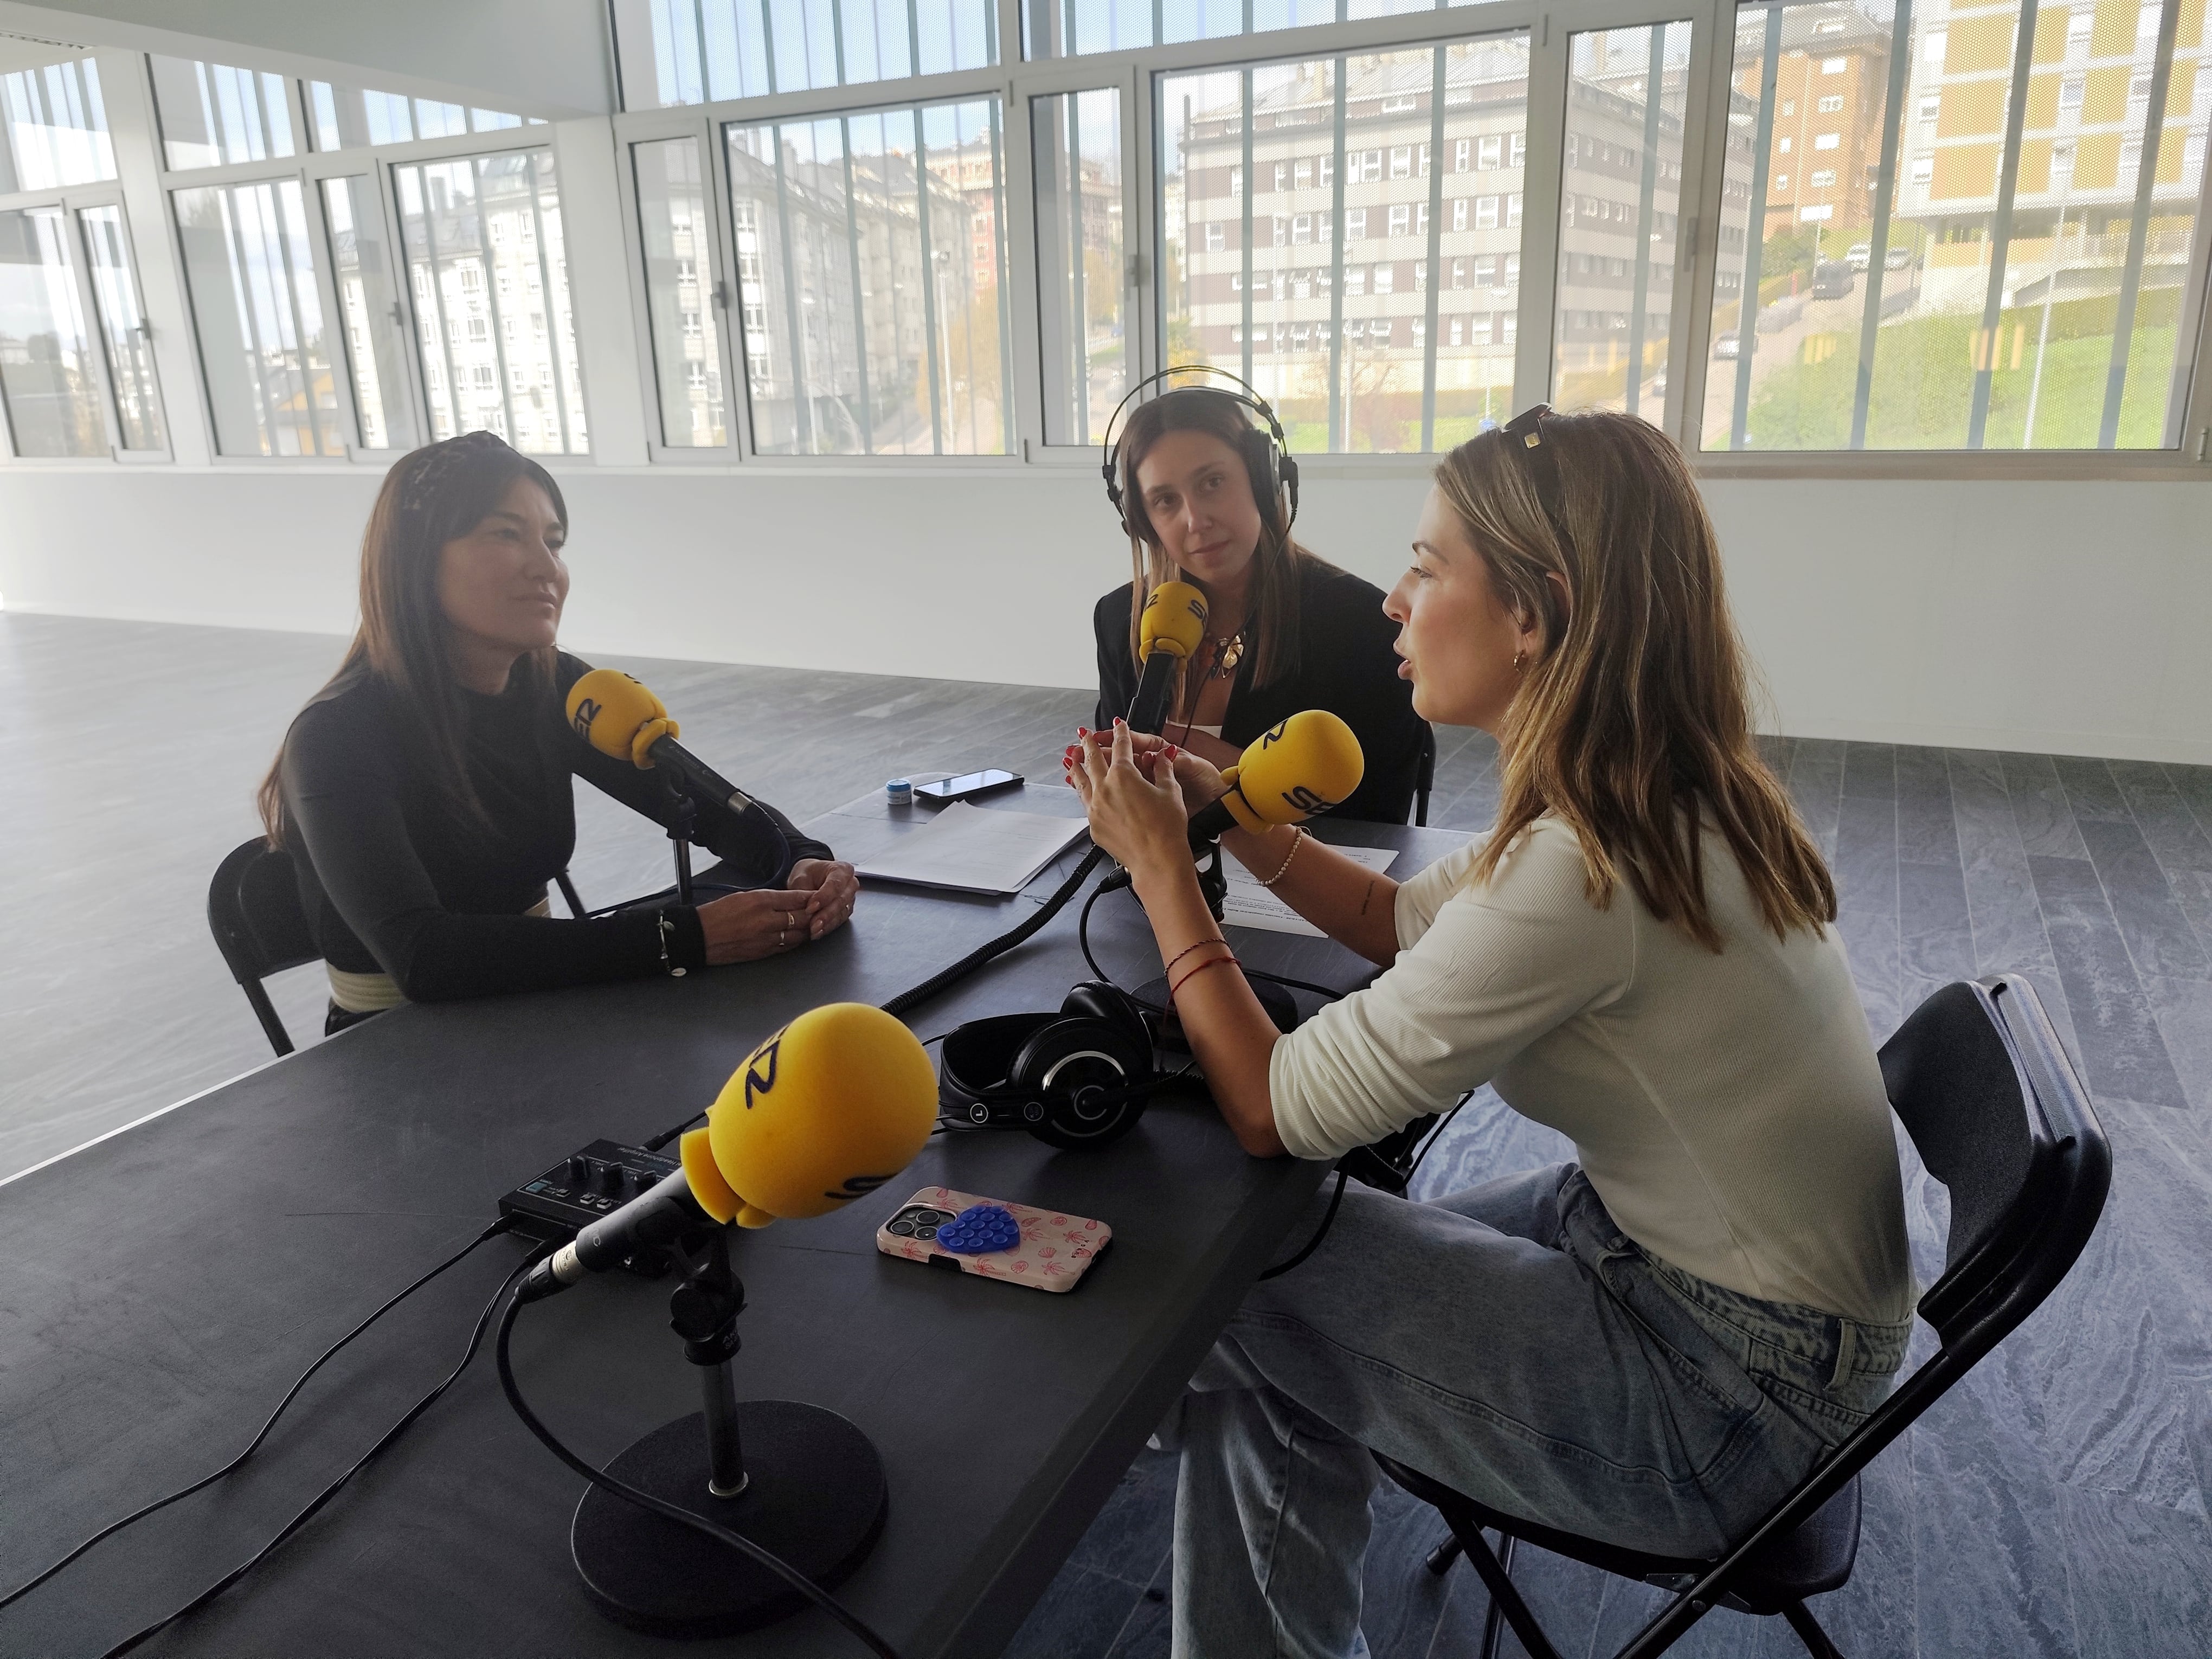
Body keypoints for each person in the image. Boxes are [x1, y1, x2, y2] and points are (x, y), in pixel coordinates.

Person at [1065, 407, 1914, 1657]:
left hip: (1728, 1402)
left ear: (1532, 612)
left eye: (1425, 566)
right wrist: (1229, 811)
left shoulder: (1583, 868)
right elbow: (1398, 918)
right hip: (1712, 1293)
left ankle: (1124, 1396)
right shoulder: (1645, 788)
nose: (1394, 604)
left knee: (1225, 1275)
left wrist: (1160, 873)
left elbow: (1269, 1106)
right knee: (1268, 1312)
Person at [258, 430, 857, 1036]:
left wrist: (800, 860)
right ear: (415, 558)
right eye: (506, 534)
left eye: (553, 542)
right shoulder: (335, 736)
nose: (547, 569)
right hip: (395, 1055)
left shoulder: (556, 687)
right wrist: (684, 938)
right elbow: (425, 957)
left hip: (539, 1009)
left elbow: (698, 802)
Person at [1092, 387, 1427, 824]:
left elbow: (1378, 822)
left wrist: (1210, 767)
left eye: (1212, 482)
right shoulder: (1121, 618)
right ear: (1143, 522)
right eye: (1165, 500)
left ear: (1263, 480)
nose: (1195, 521)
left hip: (1305, 883)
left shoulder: (1362, 625)